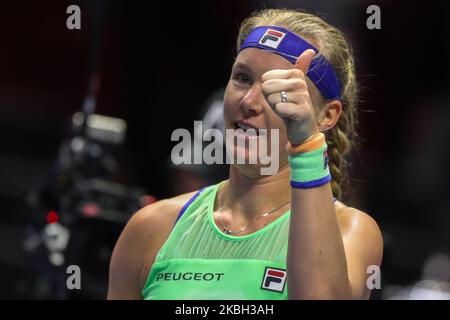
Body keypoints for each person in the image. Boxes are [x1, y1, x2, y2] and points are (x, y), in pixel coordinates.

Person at [107, 8, 383, 300]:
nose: (249, 101)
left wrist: (306, 146)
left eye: (279, 90)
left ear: (326, 116)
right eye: (242, 78)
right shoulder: (151, 227)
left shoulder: (351, 232)